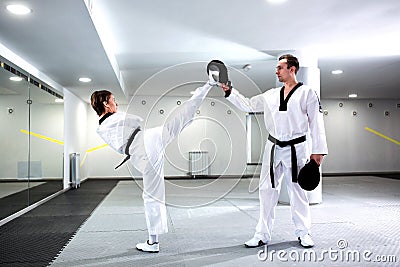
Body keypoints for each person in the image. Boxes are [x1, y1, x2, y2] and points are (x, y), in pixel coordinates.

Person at [90, 64, 218, 253]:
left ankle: (153, 241)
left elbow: (133, 124)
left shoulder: (104, 126)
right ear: (106, 105)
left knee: (152, 195)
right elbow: (137, 120)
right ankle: (207, 86)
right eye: (113, 100)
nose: (116, 103)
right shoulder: (108, 123)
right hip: (147, 145)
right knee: (182, 117)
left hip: (145, 150)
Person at [221, 54, 328, 248]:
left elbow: (317, 123)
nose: (276, 71)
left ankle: (303, 232)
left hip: (297, 147)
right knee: (266, 191)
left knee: (298, 192)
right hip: (273, 147)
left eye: (280, 67)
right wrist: (230, 92)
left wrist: (318, 152)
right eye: (277, 68)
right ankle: (262, 234)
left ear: (292, 69)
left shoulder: (307, 93)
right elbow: (248, 104)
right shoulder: (270, 94)